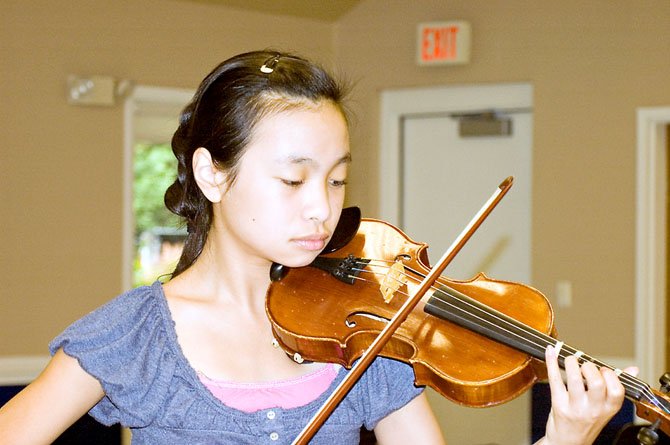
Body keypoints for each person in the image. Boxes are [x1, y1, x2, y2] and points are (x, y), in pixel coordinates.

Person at [0, 50, 634, 445]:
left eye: (336, 180)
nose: (322, 207)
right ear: (212, 174)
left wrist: (566, 437)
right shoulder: (133, 335)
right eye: (293, 179)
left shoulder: (368, 338)